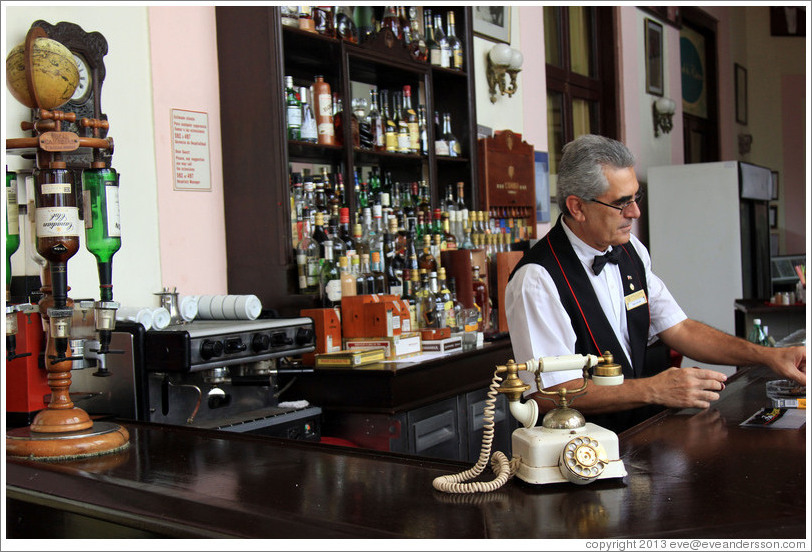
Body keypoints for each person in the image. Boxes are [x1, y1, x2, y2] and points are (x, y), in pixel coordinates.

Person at [504, 134, 806, 433]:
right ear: (577, 207)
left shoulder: (631, 250)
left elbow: (680, 328)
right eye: (621, 203)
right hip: (576, 455)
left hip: (639, 438)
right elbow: (548, 393)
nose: (635, 212)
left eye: (636, 198)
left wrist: (770, 357)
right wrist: (653, 389)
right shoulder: (536, 279)